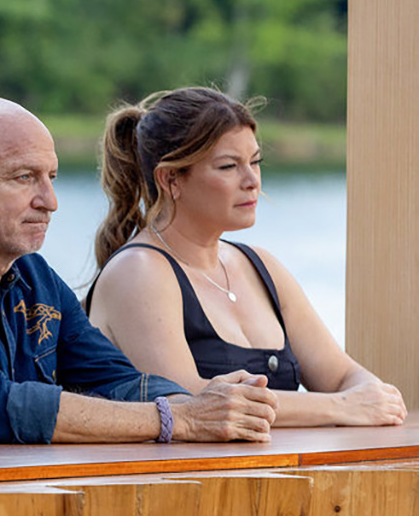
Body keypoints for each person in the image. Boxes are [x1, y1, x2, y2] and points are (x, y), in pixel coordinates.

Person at [0, 96, 279, 444]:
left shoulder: (36, 278)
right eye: (24, 177)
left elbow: (118, 380)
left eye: (51, 177)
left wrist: (196, 404)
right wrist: (178, 419)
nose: (49, 201)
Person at [86, 87, 406, 427]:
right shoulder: (138, 271)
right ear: (170, 179)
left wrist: (372, 396)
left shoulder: (261, 266)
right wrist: (342, 407)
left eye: (255, 162)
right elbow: (191, 403)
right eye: (229, 166)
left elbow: (341, 376)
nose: (252, 181)